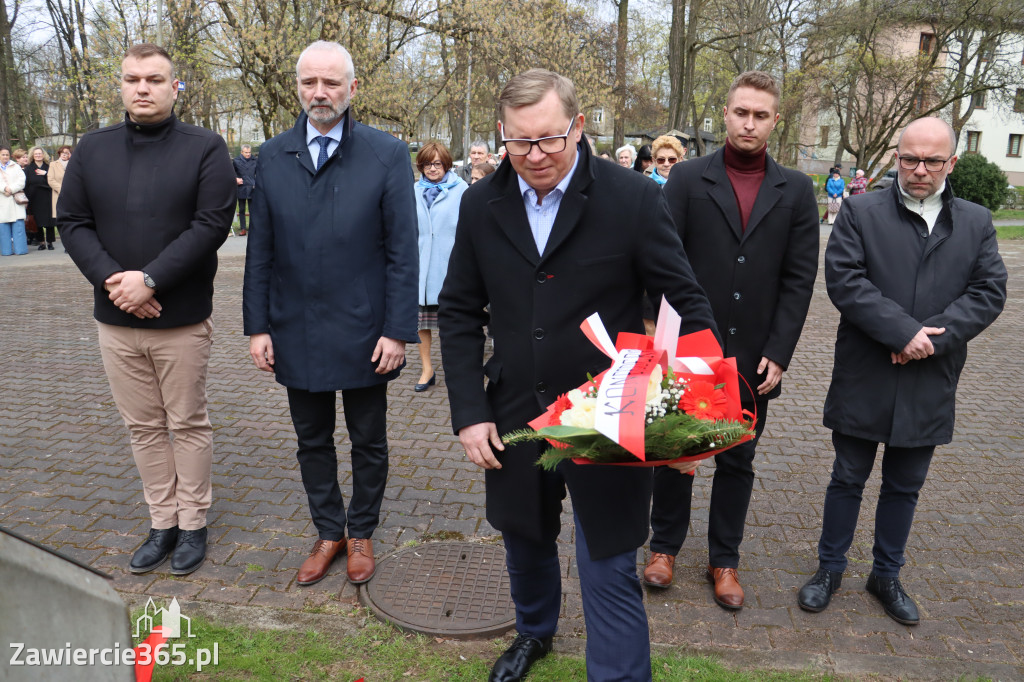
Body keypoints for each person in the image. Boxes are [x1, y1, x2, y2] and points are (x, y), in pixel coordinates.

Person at [438, 68, 718, 682]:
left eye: (548, 140)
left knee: (610, 564)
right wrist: (469, 409)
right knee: (524, 537)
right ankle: (534, 633)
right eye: (518, 143)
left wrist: (690, 416)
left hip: (610, 415)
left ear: (579, 126)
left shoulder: (633, 198)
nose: (533, 157)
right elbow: (458, 309)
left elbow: (687, 302)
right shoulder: (481, 203)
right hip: (514, 412)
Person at [797, 116, 1006, 625]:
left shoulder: (975, 222)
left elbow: (988, 292)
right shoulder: (861, 212)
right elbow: (845, 281)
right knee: (847, 476)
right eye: (910, 158)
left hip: (929, 377)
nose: (919, 169)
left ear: (951, 163)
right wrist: (900, 333)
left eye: (932, 160)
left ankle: (886, 573)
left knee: (905, 485)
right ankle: (829, 569)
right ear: (896, 157)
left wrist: (929, 338)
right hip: (866, 371)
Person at [243, 40, 418, 587]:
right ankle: (329, 530)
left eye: (331, 83)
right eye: (309, 82)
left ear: (351, 88)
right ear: (298, 86)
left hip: (366, 330)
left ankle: (361, 530)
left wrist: (397, 330)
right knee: (311, 439)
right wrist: (257, 326)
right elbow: (260, 250)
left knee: (368, 439)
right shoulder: (271, 156)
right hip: (295, 326)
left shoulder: (386, 153)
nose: (319, 93)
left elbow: (402, 251)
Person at [59, 43, 236, 576]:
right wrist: (116, 283)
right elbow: (72, 222)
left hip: (179, 317)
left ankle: (194, 522)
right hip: (115, 317)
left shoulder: (205, 147)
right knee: (142, 427)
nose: (143, 88)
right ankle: (163, 523)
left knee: (186, 422)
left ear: (174, 86)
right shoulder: (93, 149)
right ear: (120, 85)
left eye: (155, 79)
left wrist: (151, 279)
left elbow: (211, 224)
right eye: (133, 78)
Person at [649, 70, 819, 610]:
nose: (749, 123)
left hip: (753, 356)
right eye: (741, 112)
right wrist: (665, 340)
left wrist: (781, 350)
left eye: (760, 115)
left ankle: (725, 559)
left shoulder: (795, 190)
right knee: (677, 452)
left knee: (738, 460)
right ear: (724, 114)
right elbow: (662, 261)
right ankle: (664, 549)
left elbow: (799, 277)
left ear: (775, 120)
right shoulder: (687, 179)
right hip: (689, 348)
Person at [413, 141, 467, 392]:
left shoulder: (461, 189)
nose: (432, 169)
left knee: (450, 324)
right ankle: (427, 369)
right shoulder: (413, 190)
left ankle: (456, 371)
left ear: (446, 164)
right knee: (422, 323)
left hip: (450, 265)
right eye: (426, 164)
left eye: (437, 164)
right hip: (421, 266)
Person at [25, 147, 56, 250]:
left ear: (43, 155)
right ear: (32, 155)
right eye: (36, 154)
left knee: (49, 221)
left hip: (47, 196)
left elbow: (55, 180)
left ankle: (50, 242)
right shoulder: (28, 168)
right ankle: (42, 242)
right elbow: (26, 184)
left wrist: (46, 174)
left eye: (40, 153)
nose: (38, 155)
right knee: (37, 221)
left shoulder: (49, 167)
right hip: (34, 198)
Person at [0, 146, 29, 256]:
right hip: (2, 200)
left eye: (7, 154)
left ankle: (20, 249)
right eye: (3, 154)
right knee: (3, 228)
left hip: (15, 200)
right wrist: (4, 189)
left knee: (19, 226)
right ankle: (6, 251)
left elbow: (22, 181)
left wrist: (11, 189)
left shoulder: (16, 166)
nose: (5, 156)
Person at [48, 146, 72, 237]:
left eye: (67, 153)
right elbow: (50, 180)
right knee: (61, 220)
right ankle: (65, 239)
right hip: (59, 195)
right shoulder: (53, 164)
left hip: (72, 195)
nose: (64, 155)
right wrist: (62, 189)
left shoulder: (74, 164)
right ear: (59, 154)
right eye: (63, 153)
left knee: (71, 220)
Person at [233, 144, 257, 236]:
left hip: (252, 188)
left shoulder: (255, 161)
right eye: (246, 152)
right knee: (242, 209)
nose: (248, 154)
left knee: (253, 210)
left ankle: (252, 228)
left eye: (249, 152)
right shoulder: (236, 161)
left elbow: (259, 173)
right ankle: (243, 228)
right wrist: (235, 179)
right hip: (241, 188)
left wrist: (256, 183)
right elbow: (232, 172)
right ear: (241, 152)